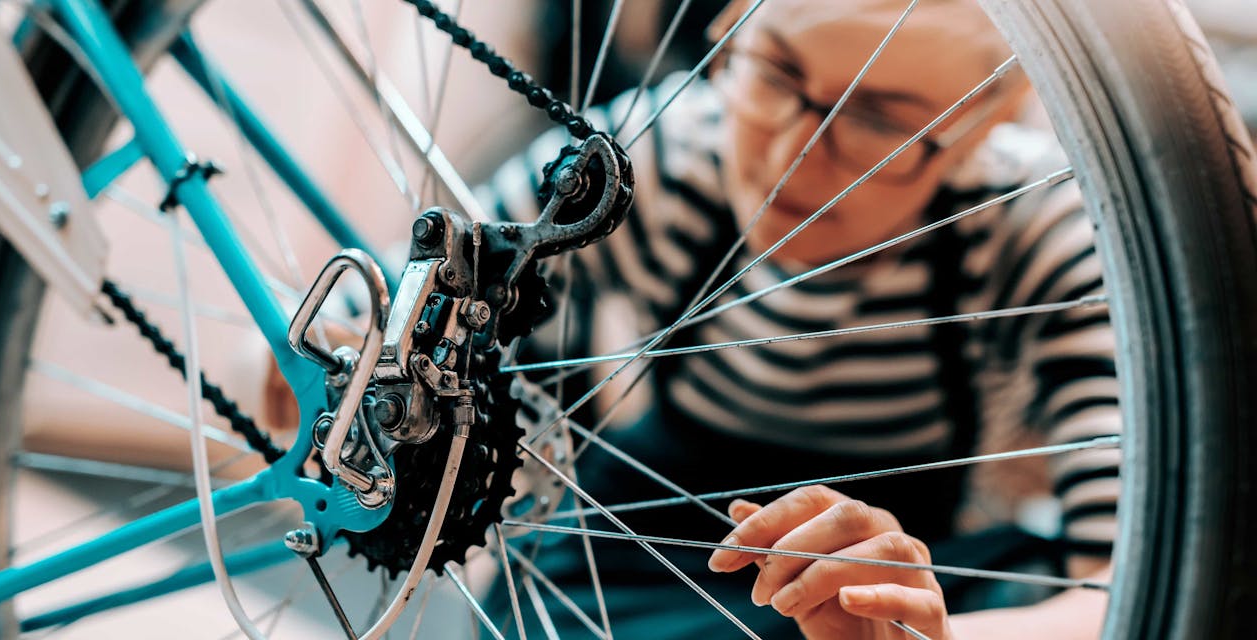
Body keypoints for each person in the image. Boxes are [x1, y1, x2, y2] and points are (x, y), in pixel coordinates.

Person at [474, 0, 1120, 637]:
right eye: (776, 71)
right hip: (637, 564)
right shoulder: (660, 156)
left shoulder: (1031, 227)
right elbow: (424, 290)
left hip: (888, 580)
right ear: (730, 33)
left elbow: (1123, 578)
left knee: (1025, 576)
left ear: (985, 123)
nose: (795, 153)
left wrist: (932, 638)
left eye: (875, 118)